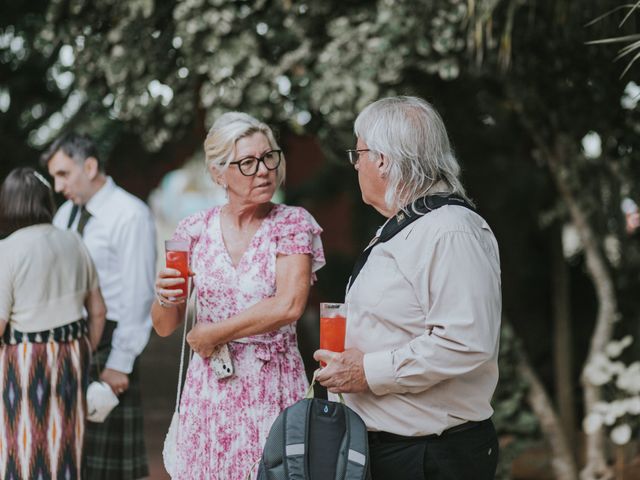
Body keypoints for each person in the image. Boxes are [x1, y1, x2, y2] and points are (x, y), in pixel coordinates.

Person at [314, 96, 502, 480]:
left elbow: (465, 341)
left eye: (359, 152)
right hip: (392, 449)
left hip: (431, 455)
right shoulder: (409, 225)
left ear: (382, 159)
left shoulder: (450, 230)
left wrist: (368, 371)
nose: (356, 164)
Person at [152, 112, 325, 479]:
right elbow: (167, 326)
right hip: (208, 392)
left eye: (269, 157)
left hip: (271, 386)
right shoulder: (194, 229)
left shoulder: (291, 223)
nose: (263, 170)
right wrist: (166, 296)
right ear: (218, 173)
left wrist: (216, 332)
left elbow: (289, 304)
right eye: (247, 162)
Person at [42, 133, 157, 479]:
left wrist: (121, 363)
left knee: (105, 469)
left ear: (89, 166)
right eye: (54, 177)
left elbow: (139, 294)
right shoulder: (65, 214)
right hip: (69, 343)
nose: (58, 185)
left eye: (63, 174)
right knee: (67, 456)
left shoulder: (130, 214)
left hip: (110, 346)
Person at [0, 167, 106, 479]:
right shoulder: (74, 241)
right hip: (72, 354)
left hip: (23, 359)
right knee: (66, 443)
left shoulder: (7, 250)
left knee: (21, 447)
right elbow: (98, 310)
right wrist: (85, 349)